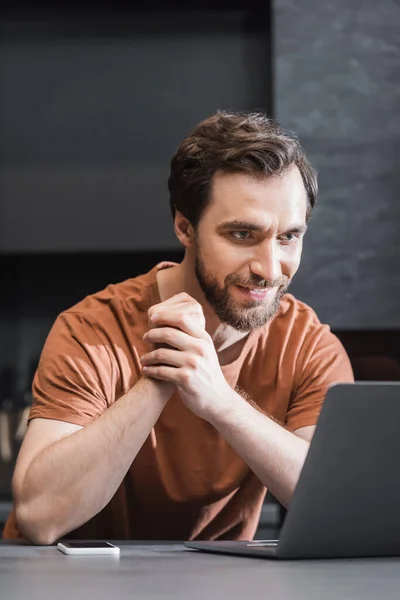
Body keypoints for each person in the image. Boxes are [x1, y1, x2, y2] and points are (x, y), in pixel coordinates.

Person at [3, 111, 353, 545]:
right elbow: (40, 517)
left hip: (219, 583)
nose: (269, 268)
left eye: (288, 238)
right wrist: (164, 375)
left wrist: (220, 401)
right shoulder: (92, 328)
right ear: (185, 227)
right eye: (242, 235)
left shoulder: (308, 345)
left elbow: (340, 506)